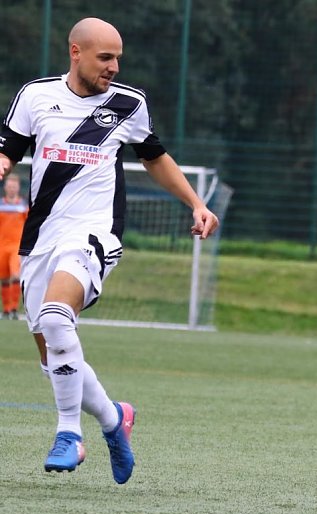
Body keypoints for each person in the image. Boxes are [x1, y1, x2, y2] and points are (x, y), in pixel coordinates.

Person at [0, 17, 219, 484]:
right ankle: (114, 418)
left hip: (95, 234)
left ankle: (68, 434)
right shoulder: (35, 95)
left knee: (58, 317)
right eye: (105, 57)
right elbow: (9, 148)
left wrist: (197, 203)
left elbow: (155, 157)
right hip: (41, 240)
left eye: (118, 57)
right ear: (75, 52)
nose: (114, 67)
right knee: (52, 354)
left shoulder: (128, 104)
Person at [0, 172, 27, 319]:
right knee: (4, 278)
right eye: (9, 186)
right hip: (1, 246)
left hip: (16, 246)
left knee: (16, 275)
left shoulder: (23, 206)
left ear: (17, 188)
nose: (11, 189)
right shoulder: (1, 204)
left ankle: (14, 309)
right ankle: (6, 310)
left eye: (14, 187)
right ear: (5, 188)